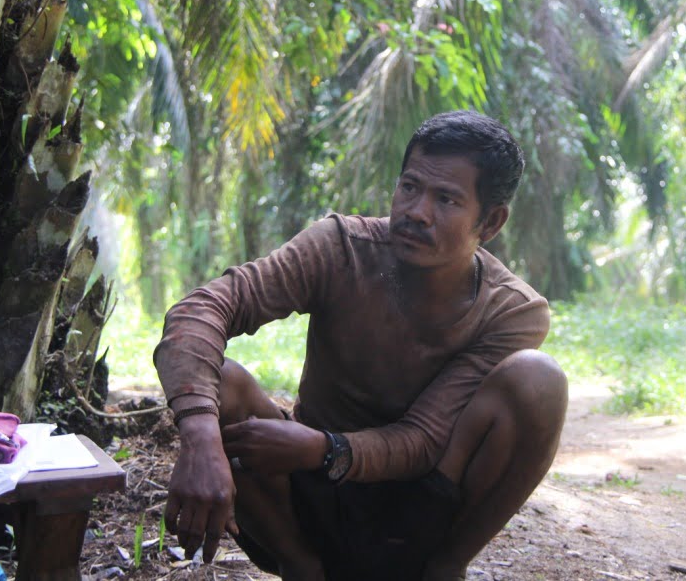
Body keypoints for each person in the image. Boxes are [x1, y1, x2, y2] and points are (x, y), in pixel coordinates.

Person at [154, 110, 568, 581]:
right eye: (410, 187)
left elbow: (425, 438)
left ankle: (444, 569)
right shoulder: (339, 248)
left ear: (490, 222)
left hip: (421, 508)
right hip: (306, 500)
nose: (416, 211)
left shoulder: (511, 310)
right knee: (223, 384)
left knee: (540, 380)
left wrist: (325, 449)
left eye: (447, 199)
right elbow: (199, 310)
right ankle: (301, 566)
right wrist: (201, 436)